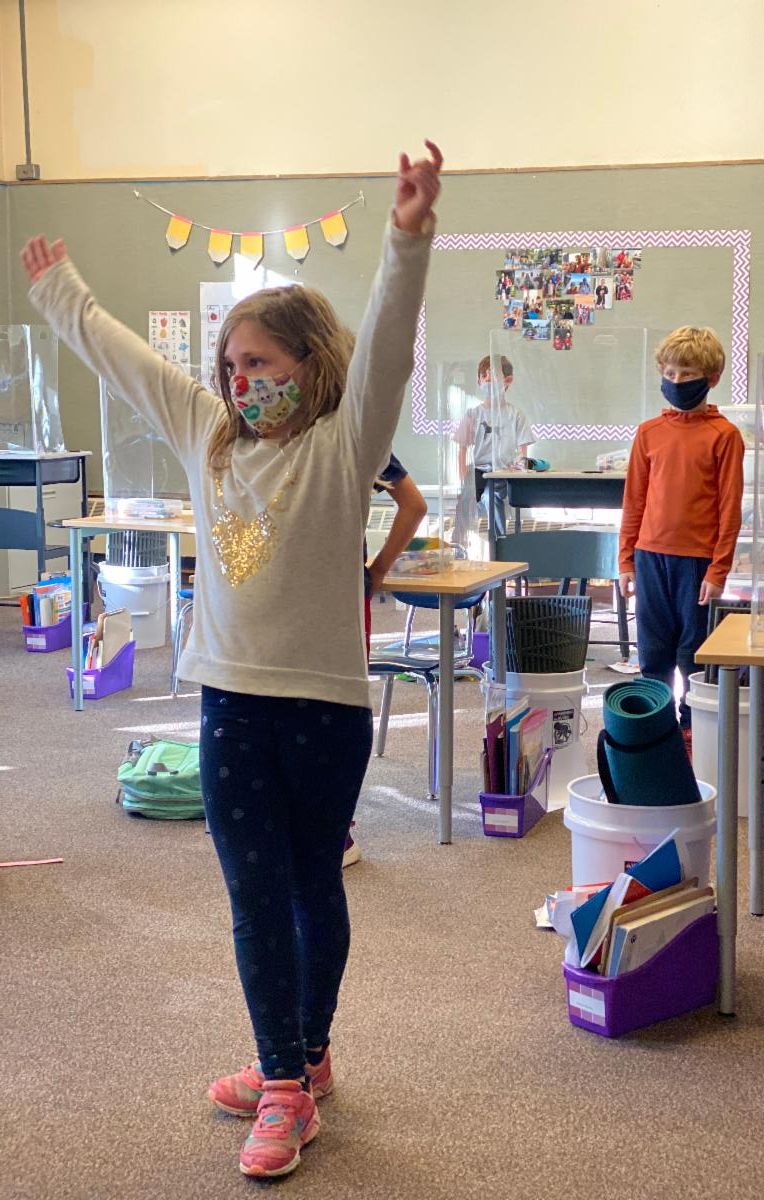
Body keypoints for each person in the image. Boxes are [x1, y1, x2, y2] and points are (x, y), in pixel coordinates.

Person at [21, 140, 442, 1180]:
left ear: (309, 363)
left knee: (313, 885)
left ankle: (305, 1057)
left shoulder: (342, 446)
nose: (240, 380)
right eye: (230, 366)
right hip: (232, 707)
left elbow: (390, 349)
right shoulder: (209, 436)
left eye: (259, 363)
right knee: (255, 895)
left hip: (325, 709)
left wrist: (407, 237)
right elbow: (126, 360)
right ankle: (285, 1077)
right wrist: (61, 292)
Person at [617, 326, 744, 751]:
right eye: (669, 372)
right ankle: (656, 731)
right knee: (653, 652)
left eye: (686, 373)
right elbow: (634, 501)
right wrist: (626, 561)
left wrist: (718, 569)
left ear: (711, 378)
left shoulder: (724, 435)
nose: (675, 381)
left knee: (693, 653)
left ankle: (692, 730)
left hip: (697, 562)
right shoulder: (648, 432)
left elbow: (729, 508)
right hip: (650, 557)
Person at [339, 453, 427, 869]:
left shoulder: (358, 437)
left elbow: (414, 505)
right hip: (342, 590)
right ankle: (333, 830)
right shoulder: (357, 435)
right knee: (338, 705)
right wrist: (376, 570)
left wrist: (377, 570)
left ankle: (332, 831)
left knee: (333, 706)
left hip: (335, 593)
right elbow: (414, 505)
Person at [453, 354, 533, 541]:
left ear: (507, 380)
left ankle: (499, 541)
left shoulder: (515, 415)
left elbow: (523, 451)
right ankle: (458, 540)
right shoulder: (473, 414)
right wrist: (464, 479)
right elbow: (462, 449)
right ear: (479, 381)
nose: (488, 380)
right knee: (464, 501)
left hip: (503, 472)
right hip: (478, 471)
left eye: (494, 376)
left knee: (493, 498)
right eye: (484, 376)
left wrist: (519, 468)